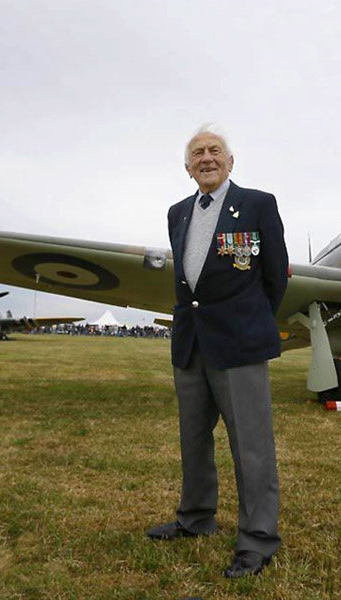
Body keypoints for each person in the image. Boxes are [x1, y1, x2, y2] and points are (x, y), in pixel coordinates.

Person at [148, 126, 289, 578]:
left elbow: (275, 278)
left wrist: (249, 320)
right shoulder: (177, 213)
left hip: (240, 341)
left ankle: (258, 539)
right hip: (191, 340)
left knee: (251, 445)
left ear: (231, 161)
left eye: (214, 151)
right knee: (193, 437)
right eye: (196, 154)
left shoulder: (257, 204)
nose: (206, 158)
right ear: (186, 167)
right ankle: (195, 519)